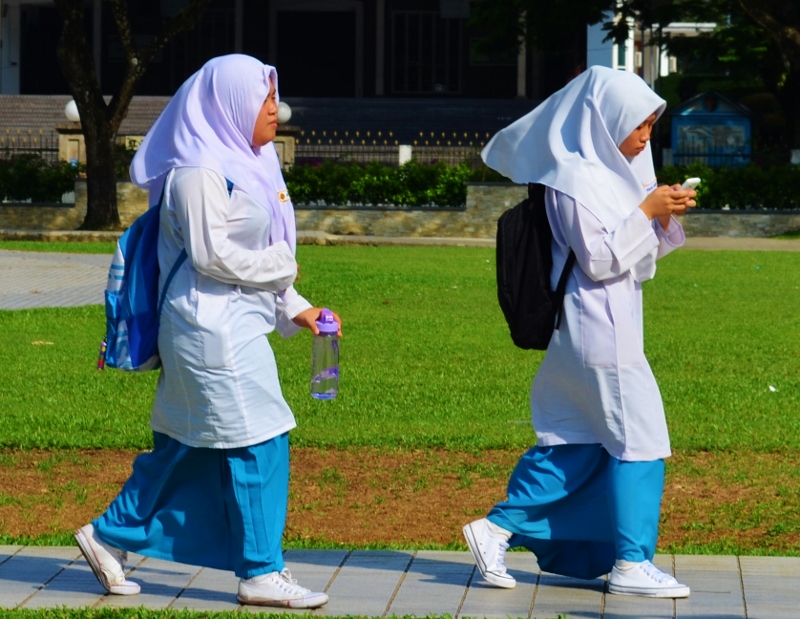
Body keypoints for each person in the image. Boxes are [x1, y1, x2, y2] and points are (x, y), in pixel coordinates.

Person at [74, 54, 340, 609]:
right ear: (231, 103)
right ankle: (261, 571)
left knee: (185, 445)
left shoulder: (253, 162)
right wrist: (283, 270)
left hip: (232, 322)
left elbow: (259, 252)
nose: (275, 109)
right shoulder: (197, 170)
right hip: (207, 329)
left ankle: (107, 535)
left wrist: (298, 307)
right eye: (265, 99)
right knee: (261, 437)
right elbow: (213, 252)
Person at [462, 66, 696, 598]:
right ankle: (631, 564)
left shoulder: (614, 172)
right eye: (639, 124)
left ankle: (495, 528)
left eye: (651, 125)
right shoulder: (574, 178)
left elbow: (638, 258)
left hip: (593, 330)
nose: (646, 136)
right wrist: (645, 211)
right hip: (600, 331)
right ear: (606, 118)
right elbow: (598, 258)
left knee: (575, 440)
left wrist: (660, 215)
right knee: (640, 442)